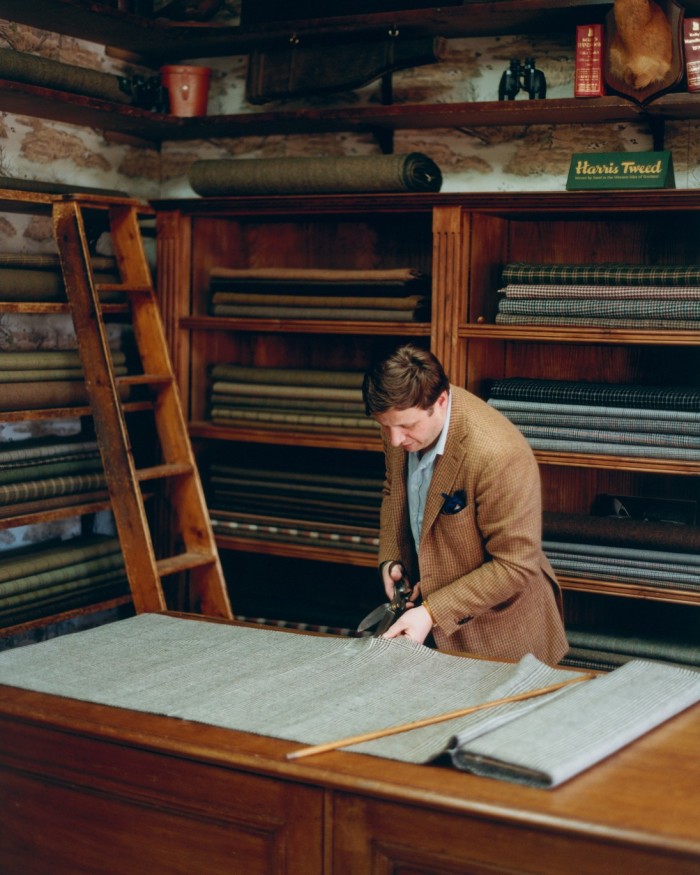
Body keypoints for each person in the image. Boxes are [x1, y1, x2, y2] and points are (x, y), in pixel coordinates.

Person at [362, 343, 567, 665]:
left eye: (406, 427)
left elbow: (516, 565)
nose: (394, 441)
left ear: (440, 401)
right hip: (428, 623)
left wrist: (432, 612)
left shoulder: (498, 454)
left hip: (502, 634)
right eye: (384, 426)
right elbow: (394, 491)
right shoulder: (400, 418)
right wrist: (390, 557)